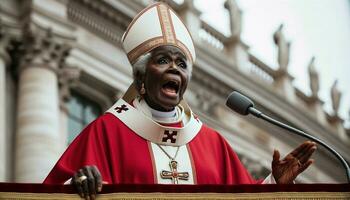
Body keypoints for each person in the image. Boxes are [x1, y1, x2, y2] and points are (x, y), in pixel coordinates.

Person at [43, 2, 317, 200]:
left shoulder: (212, 144)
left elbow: (242, 197)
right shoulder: (108, 131)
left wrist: (272, 184)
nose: (175, 68)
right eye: (162, 60)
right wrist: (77, 185)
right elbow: (52, 192)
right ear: (140, 78)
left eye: (181, 63)